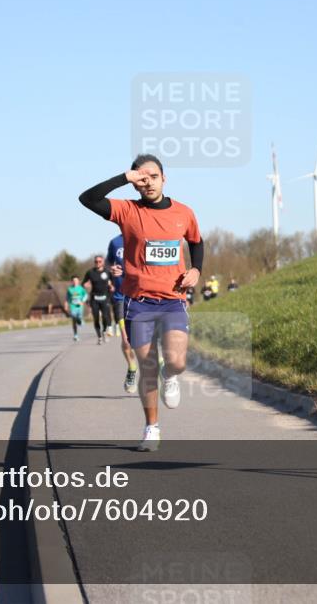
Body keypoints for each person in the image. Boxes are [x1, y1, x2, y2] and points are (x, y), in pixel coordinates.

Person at [79, 154, 203, 451]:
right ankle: (152, 427)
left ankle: (169, 376)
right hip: (139, 303)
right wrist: (124, 177)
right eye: (142, 178)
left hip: (172, 301)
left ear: (164, 178)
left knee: (176, 361)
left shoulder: (183, 213)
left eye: (153, 177)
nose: (148, 182)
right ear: (136, 184)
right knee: (146, 366)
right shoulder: (126, 211)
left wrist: (196, 270)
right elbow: (87, 198)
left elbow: (197, 242)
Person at [107, 234, 140, 394]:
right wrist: (111, 270)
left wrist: (126, 273)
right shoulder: (115, 242)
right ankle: (132, 368)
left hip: (140, 296)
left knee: (147, 338)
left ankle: (159, 367)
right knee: (127, 341)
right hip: (120, 297)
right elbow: (109, 264)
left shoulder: (142, 236)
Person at [83, 255, 114, 345]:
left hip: (105, 298)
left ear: (103, 262)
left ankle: (104, 331)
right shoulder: (90, 272)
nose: (98, 263)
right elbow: (83, 283)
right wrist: (85, 285)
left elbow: (113, 284)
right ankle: (99, 337)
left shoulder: (108, 272)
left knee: (105, 316)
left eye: (99, 261)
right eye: (96, 261)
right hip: (94, 298)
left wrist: (112, 287)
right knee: (96, 318)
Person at [64, 276, 87, 341]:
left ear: (78, 281)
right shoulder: (69, 289)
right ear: (72, 281)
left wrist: (82, 302)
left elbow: (85, 295)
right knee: (74, 319)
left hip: (80, 307)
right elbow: (67, 298)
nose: (75, 282)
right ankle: (75, 335)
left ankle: (80, 321)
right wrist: (66, 305)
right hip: (72, 306)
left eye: (76, 280)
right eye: (73, 281)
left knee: (79, 318)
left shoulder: (81, 288)